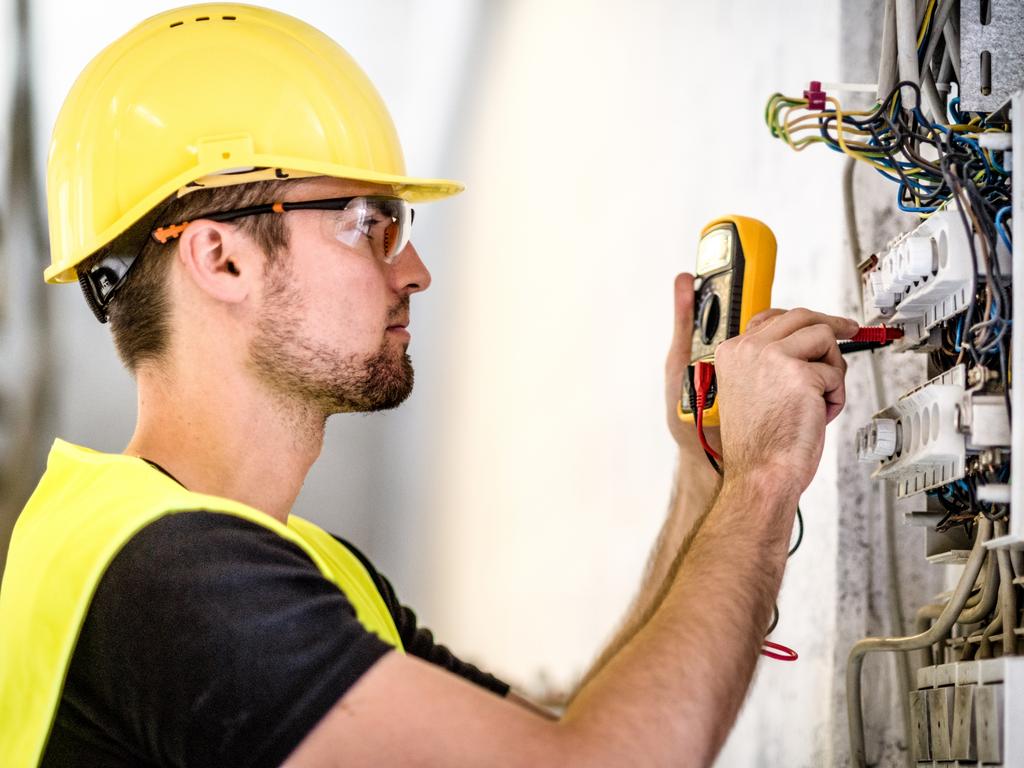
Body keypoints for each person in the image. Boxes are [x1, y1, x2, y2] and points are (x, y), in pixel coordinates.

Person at [0, 4, 857, 767]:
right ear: (221, 258)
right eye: (369, 224)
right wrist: (765, 475)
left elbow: (568, 735)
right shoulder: (165, 576)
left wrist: (706, 475)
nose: (413, 270)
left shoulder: (303, 568)